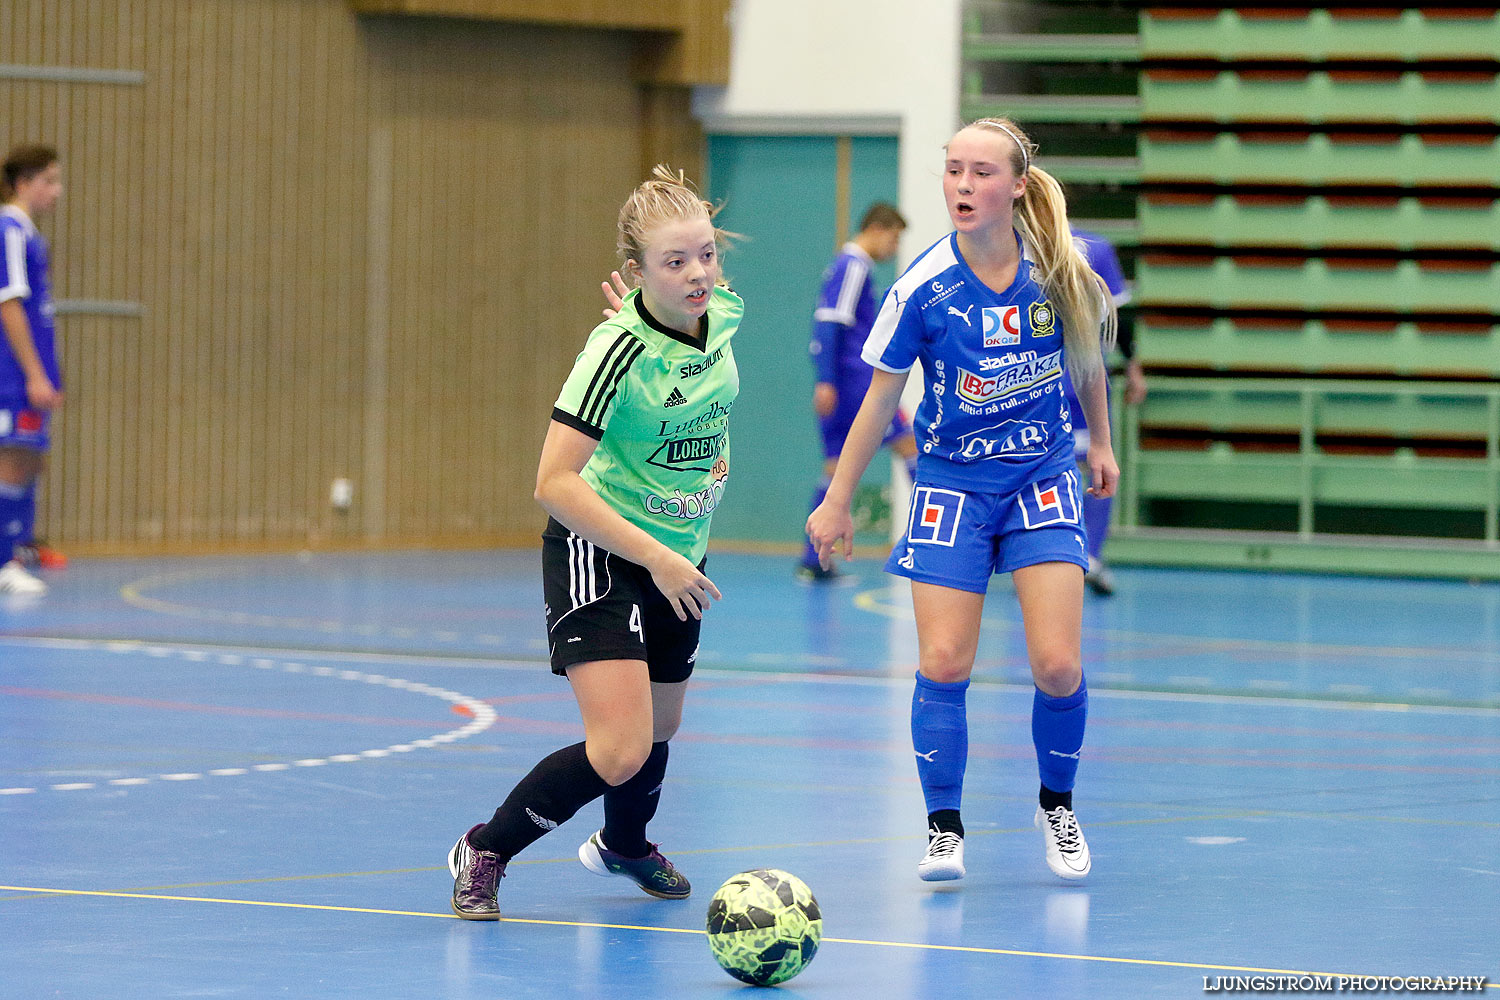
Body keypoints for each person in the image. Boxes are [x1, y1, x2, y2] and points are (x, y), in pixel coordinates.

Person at [807, 117, 1117, 883]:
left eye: (981, 173)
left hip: (1042, 476)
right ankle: (945, 827)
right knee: (944, 660)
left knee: (1056, 664)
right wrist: (839, 499)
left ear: (1016, 185)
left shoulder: (1059, 273)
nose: (963, 186)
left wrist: (1101, 443)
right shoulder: (921, 285)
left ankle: (1058, 805)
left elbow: (1087, 366)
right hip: (951, 483)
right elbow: (879, 400)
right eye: (953, 172)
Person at [447, 166, 742, 920]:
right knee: (619, 748)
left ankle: (625, 846)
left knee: (661, 726)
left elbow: (698, 398)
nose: (699, 273)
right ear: (635, 272)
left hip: (680, 552)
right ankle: (486, 849)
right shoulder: (613, 351)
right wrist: (656, 554)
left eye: (704, 254)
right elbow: (553, 481)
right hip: (606, 551)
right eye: (674, 263)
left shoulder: (720, 316)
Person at [798, 202, 917, 582]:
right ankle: (931, 539)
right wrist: (827, 380)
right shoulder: (855, 266)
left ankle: (813, 558)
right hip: (858, 384)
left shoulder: (847, 266)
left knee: (834, 468)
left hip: (845, 382)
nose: (893, 248)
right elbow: (830, 324)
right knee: (912, 446)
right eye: (895, 238)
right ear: (880, 230)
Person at [1063, 228, 1146, 596]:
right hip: (1085, 378)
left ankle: (1043, 560)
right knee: (1097, 466)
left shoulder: (1014, 248)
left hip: (1029, 381)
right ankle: (1089, 557)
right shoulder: (1096, 246)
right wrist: (1133, 365)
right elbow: (1119, 313)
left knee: (1038, 468)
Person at [0, 145, 65, 596]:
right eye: (49, 180)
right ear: (24, 183)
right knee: (12, 460)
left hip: (30, 371)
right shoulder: (10, 230)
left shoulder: (28, 233)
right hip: (11, 373)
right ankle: (5, 561)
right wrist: (34, 374)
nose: (57, 191)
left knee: (28, 460)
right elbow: (9, 303)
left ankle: (14, 551)